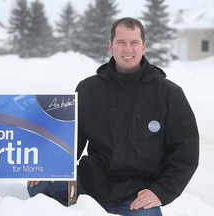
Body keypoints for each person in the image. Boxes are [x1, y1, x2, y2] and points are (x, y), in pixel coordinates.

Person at [27, 17, 199, 216]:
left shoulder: (169, 94)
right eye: (121, 43)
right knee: (39, 188)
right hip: (90, 183)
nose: (128, 49)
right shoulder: (88, 88)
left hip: (135, 193)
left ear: (144, 47)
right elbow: (70, 140)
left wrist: (161, 191)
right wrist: (47, 166)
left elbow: (186, 152)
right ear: (111, 46)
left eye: (134, 43)